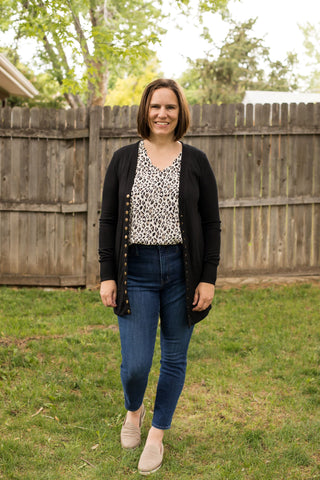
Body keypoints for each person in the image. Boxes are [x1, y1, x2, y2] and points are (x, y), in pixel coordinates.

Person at [99, 78, 220, 475]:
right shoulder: (123, 159)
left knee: (173, 359)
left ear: (180, 112)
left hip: (183, 271)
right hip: (136, 270)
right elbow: (110, 220)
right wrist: (107, 274)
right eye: (155, 107)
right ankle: (133, 412)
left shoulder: (197, 161)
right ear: (144, 111)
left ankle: (156, 435)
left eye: (169, 107)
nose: (162, 114)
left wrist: (208, 278)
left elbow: (211, 223)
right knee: (135, 364)